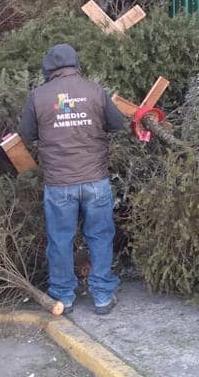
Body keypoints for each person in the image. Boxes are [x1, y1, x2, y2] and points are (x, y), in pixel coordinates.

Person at [18, 43, 126, 315]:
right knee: (100, 236)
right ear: (76, 64)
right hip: (95, 180)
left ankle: (64, 296)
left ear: (49, 68)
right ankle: (102, 295)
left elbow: (27, 134)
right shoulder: (95, 91)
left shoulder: (38, 96)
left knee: (60, 239)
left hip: (59, 183)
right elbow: (118, 124)